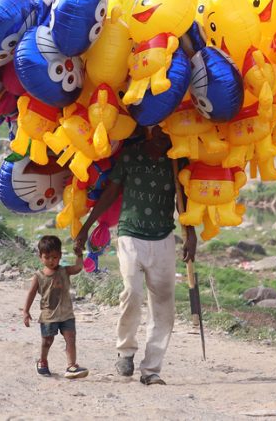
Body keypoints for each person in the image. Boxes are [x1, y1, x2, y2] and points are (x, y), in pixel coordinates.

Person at [74, 125, 197, 386]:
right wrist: (87, 226)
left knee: (164, 305)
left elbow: (182, 200)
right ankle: (125, 351)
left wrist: (191, 233)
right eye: (160, 131)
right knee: (133, 292)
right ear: (150, 129)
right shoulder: (130, 155)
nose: (164, 136)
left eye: (168, 132)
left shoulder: (176, 160)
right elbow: (111, 193)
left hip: (163, 237)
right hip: (130, 234)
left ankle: (151, 370)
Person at [22, 235, 89, 379]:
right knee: (47, 340)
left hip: (66, 314)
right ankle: (43, 361)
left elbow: (78, 267)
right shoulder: (39, 276)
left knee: (70, 338)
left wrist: (79, 254)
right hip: (48, 315)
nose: (51, 261)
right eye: (47, 257)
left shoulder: (64, 271)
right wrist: (26, 311)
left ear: (60, 256)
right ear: (40, 257)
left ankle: (71, 366)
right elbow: (31, 294)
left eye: (54, 257)